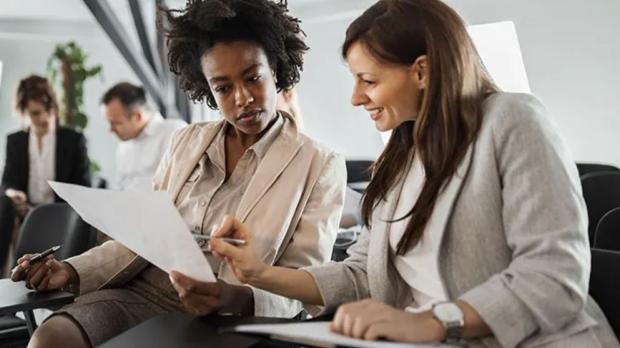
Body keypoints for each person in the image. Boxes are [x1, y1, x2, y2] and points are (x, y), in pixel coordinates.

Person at [209, 0, 619, 346]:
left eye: (367, 80)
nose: (355, 97)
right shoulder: (401, 156)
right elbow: (360, 275)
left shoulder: (513, 120)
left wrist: (430, 322)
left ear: (421, 71)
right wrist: (260, 275)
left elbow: (552, 276)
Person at [12, 1, 346, 347]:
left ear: (274, 69)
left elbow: (308, 286)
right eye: (223, 87)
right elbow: (143, 236)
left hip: (226, 314)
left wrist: (231, 297)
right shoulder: (186, 141)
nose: (243, 98)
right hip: (141, 291)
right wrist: (70, 270)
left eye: (252, 77)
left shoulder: (319, 164)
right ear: (208, 89)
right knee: (49, 337)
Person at [0, 75, 90, 274]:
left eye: (47, 111)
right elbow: (7, 181)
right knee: (4, 203)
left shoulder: (73, 140)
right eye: (35, 113)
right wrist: (13, 192)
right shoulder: (15, 141)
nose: (43, 118)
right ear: (23, 111)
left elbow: (83, 185)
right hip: (25, 212)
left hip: (59, 212)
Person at [101, 82, 186, 191]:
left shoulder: (174, 132)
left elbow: (176, 185)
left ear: (138, 116)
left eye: (116, 123)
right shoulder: (124, 145)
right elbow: (119, 187)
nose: (110, 130)